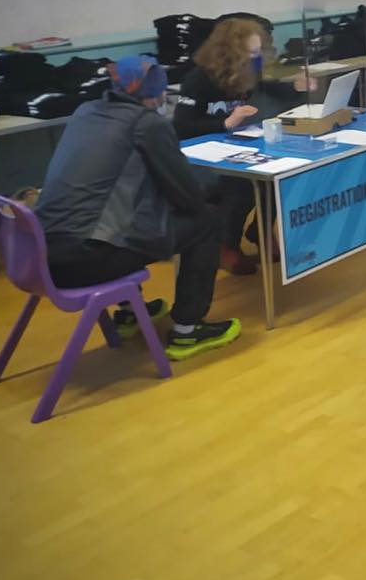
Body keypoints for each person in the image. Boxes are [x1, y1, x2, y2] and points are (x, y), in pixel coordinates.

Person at [35, 56, 241, 360]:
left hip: (41, 255)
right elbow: (186, 195)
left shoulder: (85, 112)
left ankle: (131, 311)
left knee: (122, 217)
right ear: (158, 93)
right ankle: (187, 330)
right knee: (206, 221)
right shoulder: (147, 124)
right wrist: (209, 192)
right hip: (87, 259)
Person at [174, 17, 312, 274]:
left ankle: (260, 229)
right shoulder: (198, 79)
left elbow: (271, 87)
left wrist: (296, 88)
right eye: (250, 53)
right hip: (201, 157)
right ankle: (227, 244)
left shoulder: (251, 69)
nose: (256, 58)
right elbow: (181, 126)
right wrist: (225, 122)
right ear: (230, 53)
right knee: (240, 184)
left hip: (235, 147)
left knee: (276, 172)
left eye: (258, 52)